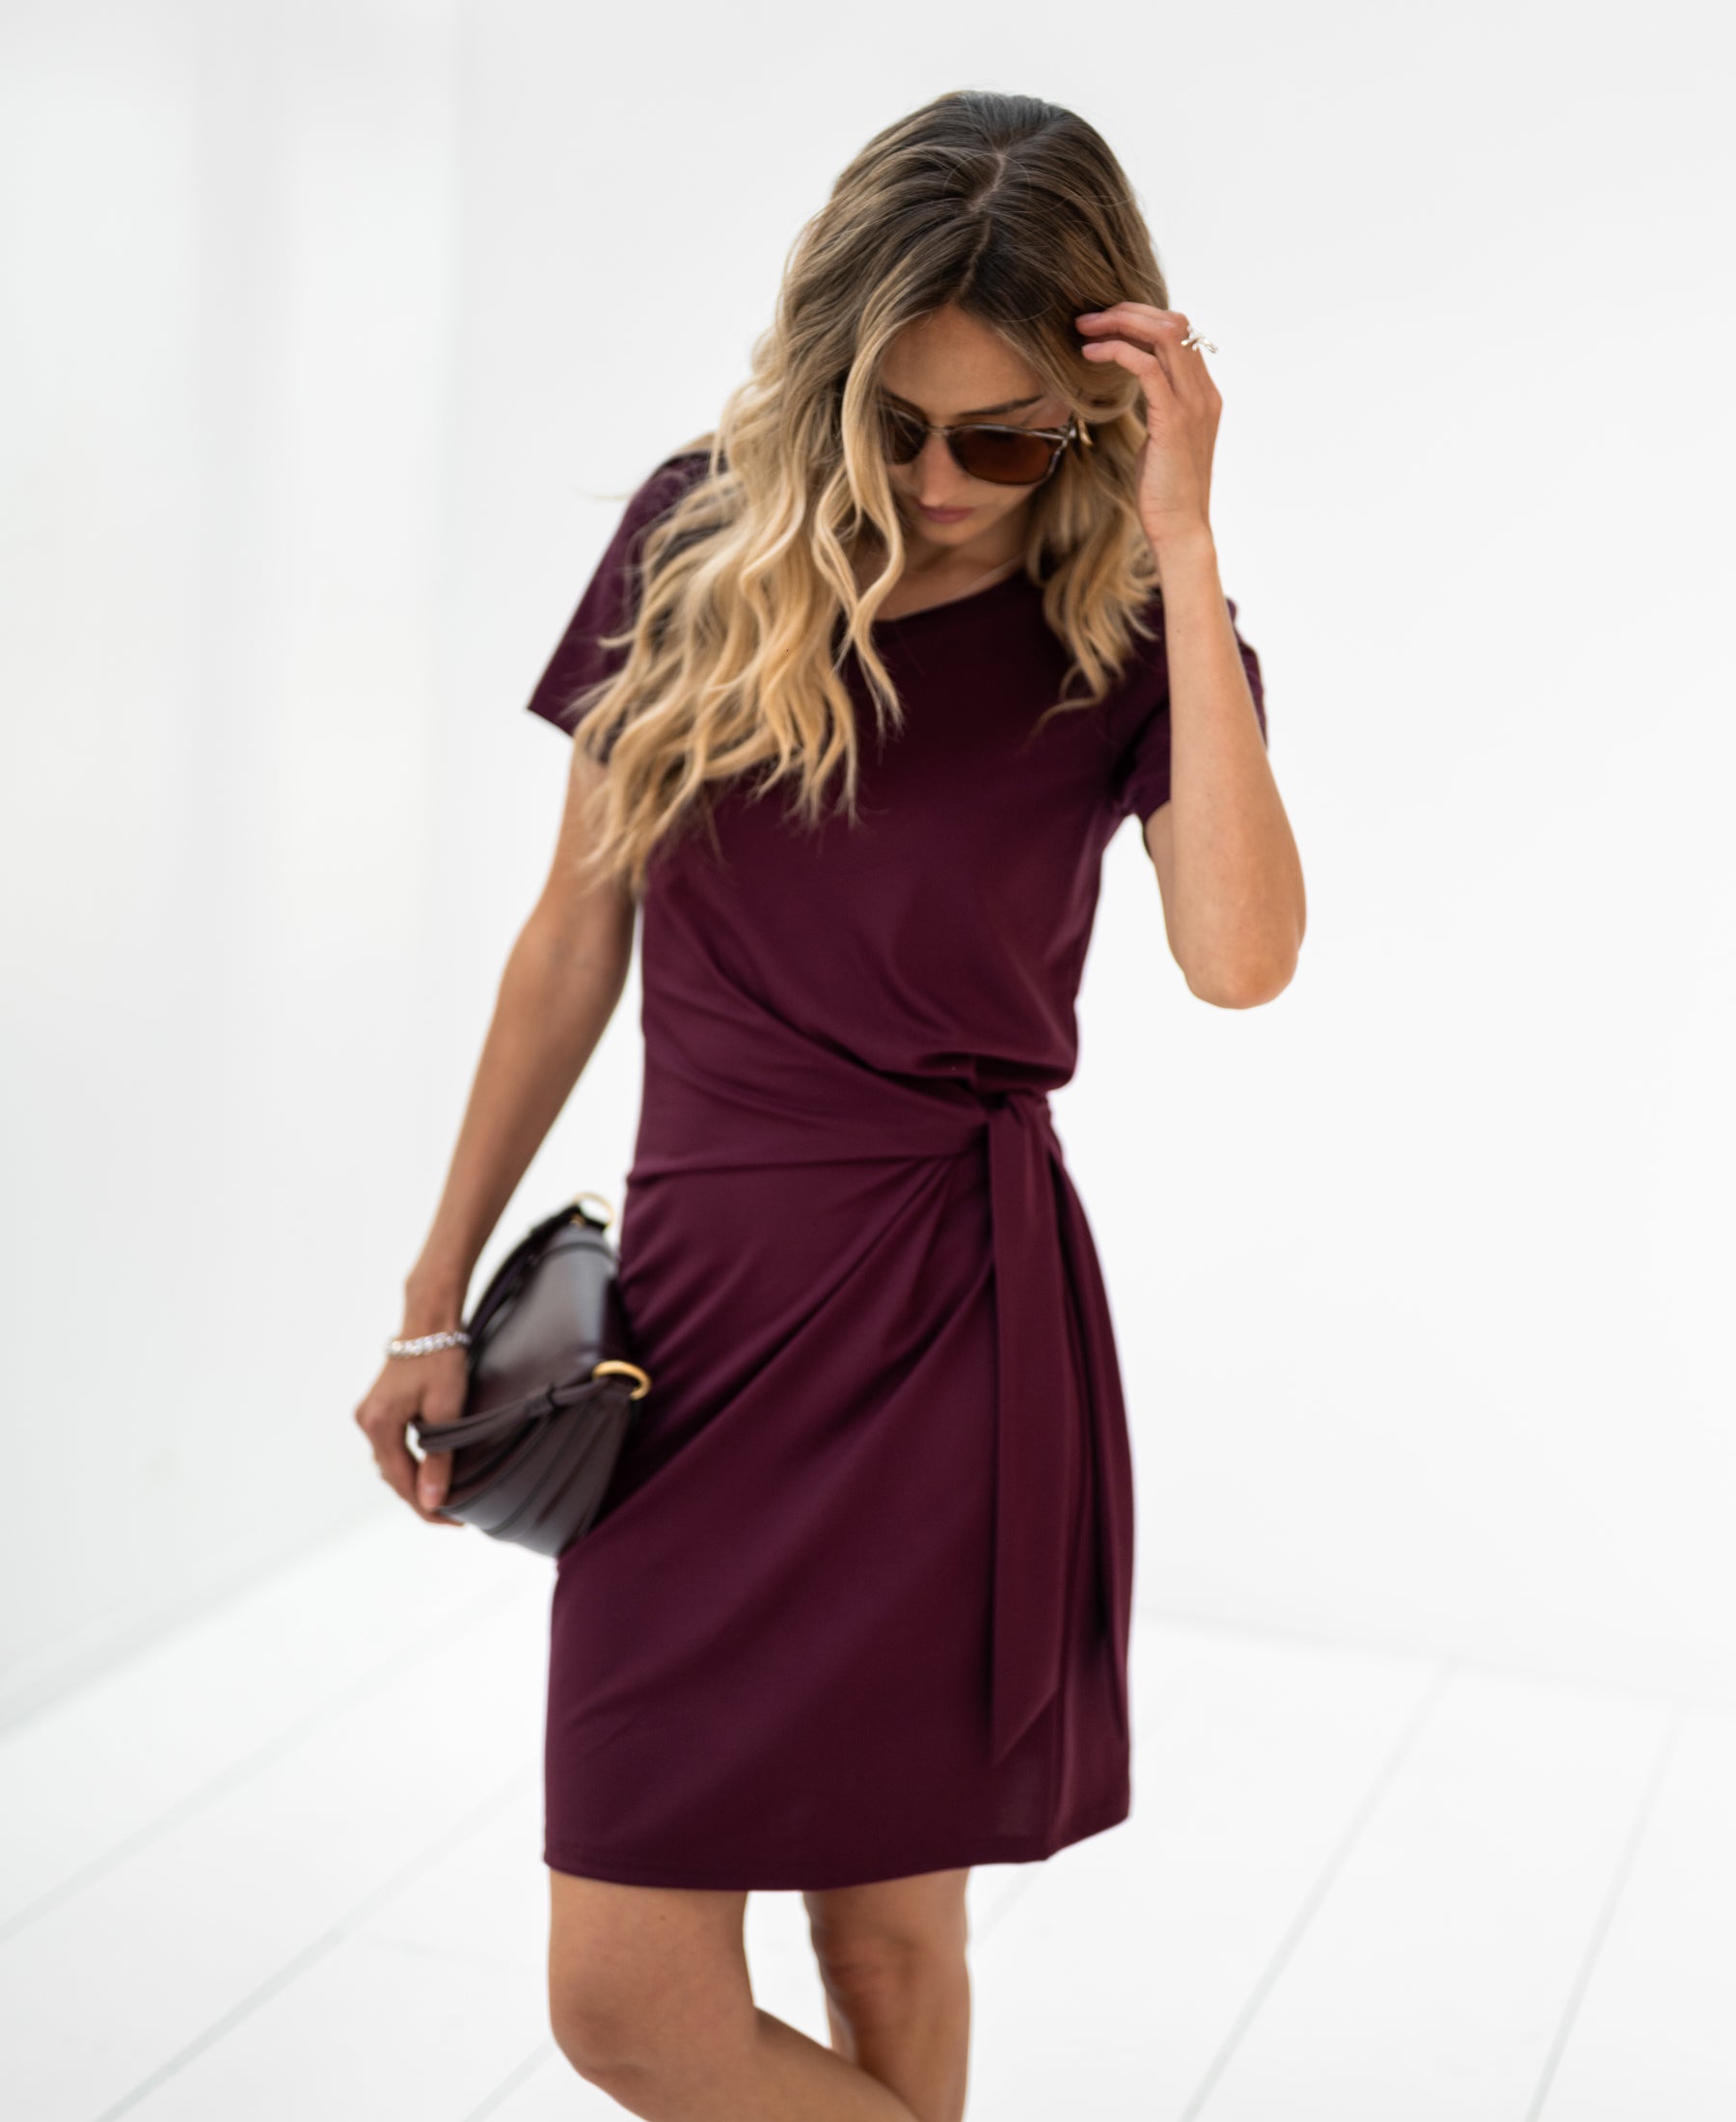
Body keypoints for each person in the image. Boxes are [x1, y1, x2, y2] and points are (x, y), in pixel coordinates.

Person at [353, 86, 1304, 2122]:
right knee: (628, 1997)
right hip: (686, 1329)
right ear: (828, 373)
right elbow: (570, 942)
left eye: (1007, 438)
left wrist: (1185, 538)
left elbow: (1240, 958)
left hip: (949, 1326)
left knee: (885, 1939)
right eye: (896, 424)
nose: (944, 482)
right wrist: (435, 1297)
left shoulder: (1135, 623)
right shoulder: (694, 536)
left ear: (1097, 409)